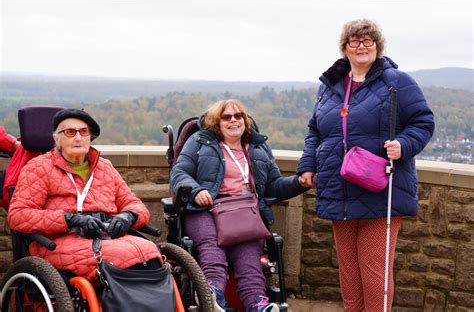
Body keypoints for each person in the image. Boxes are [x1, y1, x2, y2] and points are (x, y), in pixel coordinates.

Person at [297, 19, 435, 311]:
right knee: (348, 273)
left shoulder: (397, 82)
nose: (361, 45)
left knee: (374, 272)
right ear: (345, 47)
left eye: (368, 40)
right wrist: (307, 166)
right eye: (354, 41)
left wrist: (404, 145)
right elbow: (315, 131)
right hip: (339, 189)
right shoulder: (330, 87)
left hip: (381, 189)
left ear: (377, 46)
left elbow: (423, 122)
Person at [170, 99, 308, 312]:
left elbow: (273, 186)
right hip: (206, 208)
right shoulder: (199, 141)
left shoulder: (258, 147)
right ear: (217, 122)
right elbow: (179, 173)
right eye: (226, 117)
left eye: (238, 116)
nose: (233, 120)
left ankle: (258, 304)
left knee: (249, 257)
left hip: (244, 211)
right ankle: (212, 297)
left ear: (245, 120)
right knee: (211, 248)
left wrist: (299, 183)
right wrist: (197, 191)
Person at [8, 108, 161, 282]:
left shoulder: (105, 167)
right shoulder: (38, 168)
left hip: (107, 235)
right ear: (56, 139)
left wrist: (128, 216)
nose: (78, 138)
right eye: (70, 132)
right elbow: (18, 215)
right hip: (60, 239)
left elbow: (135, 204)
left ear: (90, 138)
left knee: (150, 252)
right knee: (124, 259)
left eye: (84, 132)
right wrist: (69, 219)